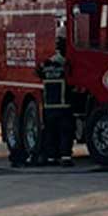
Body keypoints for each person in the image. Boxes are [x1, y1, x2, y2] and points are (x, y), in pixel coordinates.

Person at [36, 36, 74, 166]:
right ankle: (65, 157)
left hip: (49, 106)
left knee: (50, 133)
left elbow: (38, 73)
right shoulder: (66, 66)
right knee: (65, 132)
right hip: (64, 106)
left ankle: (51, 157)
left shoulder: (46, 65)